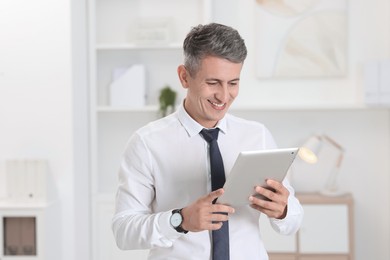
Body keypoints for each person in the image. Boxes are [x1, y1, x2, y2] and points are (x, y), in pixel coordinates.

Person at [112, 23, 304, 259]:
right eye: (213, 83)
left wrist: (283, 210)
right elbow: (123, 231)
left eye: (233, 83)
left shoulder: (257, 135)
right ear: (184, 77)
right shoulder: (146, 143)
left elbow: (293, 220)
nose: (224, 96)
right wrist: (180, 220)